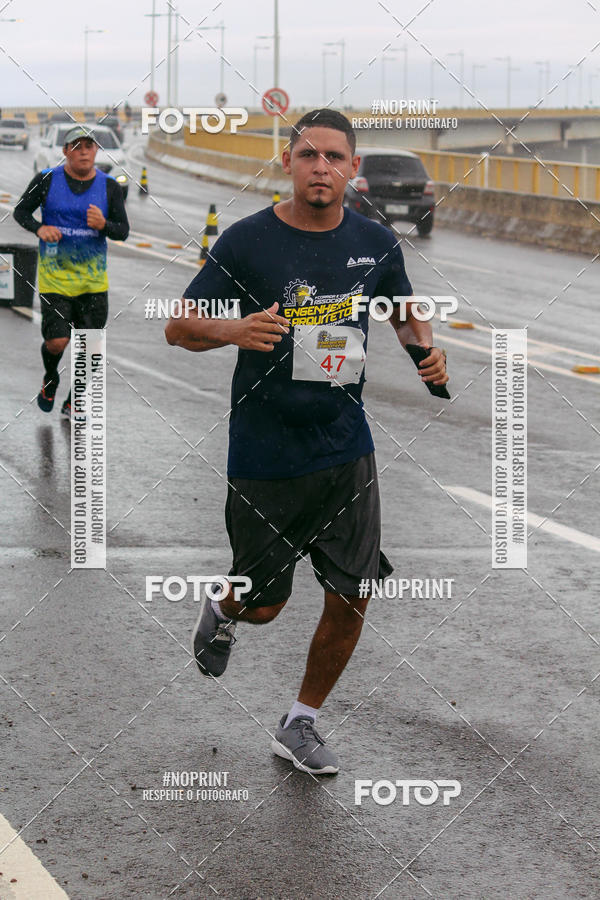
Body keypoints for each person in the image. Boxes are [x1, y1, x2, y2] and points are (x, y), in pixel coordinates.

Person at [165, 109, 448, 775]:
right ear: (287, 164)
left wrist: (424, 354)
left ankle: (301, 721)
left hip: (345, 447)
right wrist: (233, 332)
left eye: (334, 157)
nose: (321, 167)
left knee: (352, 594)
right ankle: (227, 604)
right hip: (265, 453)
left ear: (354, 170)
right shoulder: (246, 242)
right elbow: (179, 326)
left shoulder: (377, 243)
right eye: (308, 155)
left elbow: (403, 310)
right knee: (267, 604)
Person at [13, 125, 129, 418]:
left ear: (96, 151)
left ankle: (74, 399)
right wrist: (40, 227)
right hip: (56, 279)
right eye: (77, 147)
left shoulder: (109, 186)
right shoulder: (47, 180)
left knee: (91, 349)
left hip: (93, 282)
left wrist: (104, 225)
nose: (84, 152)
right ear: (66, 152)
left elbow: (123, 232)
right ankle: (50, 378)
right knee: (57, 341)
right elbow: (21, 212)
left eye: (89, 146)